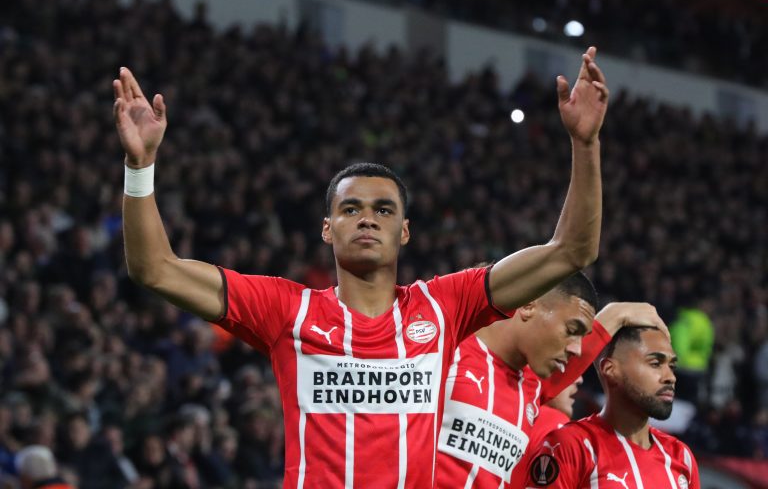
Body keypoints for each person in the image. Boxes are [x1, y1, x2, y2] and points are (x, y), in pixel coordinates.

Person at [112, 46, 609, 487]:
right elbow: (154, 268)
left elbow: (571, 251)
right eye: (350, 209)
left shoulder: (442, 307)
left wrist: (585, 146)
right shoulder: (288, 311)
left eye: (383, 210)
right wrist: (140, 168)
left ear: (405, 231)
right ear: (328, 228)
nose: (367, 219)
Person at [435, 271, 667, 488]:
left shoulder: (530, 386)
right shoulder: (444, 350)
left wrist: (618, 315)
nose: (576, 349)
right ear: (528, 306)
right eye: (571, 329)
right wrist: (616, 315)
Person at [524, 326, 700, 488]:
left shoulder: (681, 456)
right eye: (655, 364)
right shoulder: (572, 445)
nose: (670, 377)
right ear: (610, 369)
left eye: (672, 366)